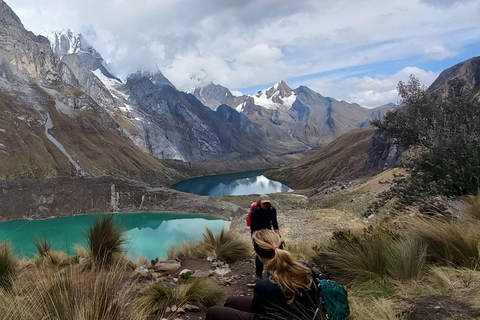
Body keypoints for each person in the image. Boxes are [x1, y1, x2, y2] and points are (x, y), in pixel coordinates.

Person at [205, 229, 319, 320]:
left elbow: (258, 314)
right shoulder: (305, 268)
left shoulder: (264, 287)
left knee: (213, 312)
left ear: (258, 255)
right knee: (230, 301)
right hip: (302, 314)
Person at [250, 194, 280, 280]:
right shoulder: (255, 212)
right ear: (260, 202)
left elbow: (275, 223)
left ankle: (270, 271)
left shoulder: (272, 210)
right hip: (257, 234)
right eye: (264, 203)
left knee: (272, 251)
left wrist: (277, 234)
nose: (266, 205)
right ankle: (258, 275)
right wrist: (255, 240)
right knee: (259, 253)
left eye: (267, 203)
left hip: (268, 233)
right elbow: (253, 228)